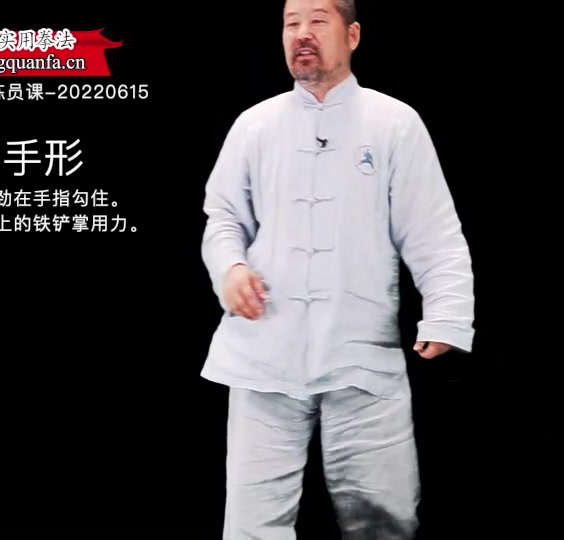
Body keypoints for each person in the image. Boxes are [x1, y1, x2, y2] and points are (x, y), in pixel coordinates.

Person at [200, 0, 475, 537]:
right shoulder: (254, 125)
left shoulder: (394, 123)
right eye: (291, 23)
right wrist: (231, 269)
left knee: (384, 520)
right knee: (253, 524)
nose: (302, 33)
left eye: (318, 20)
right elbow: (224, 217)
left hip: (361, 350)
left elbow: (432, 229)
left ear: (352, 35)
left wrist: (447, 314)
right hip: (265, 352)